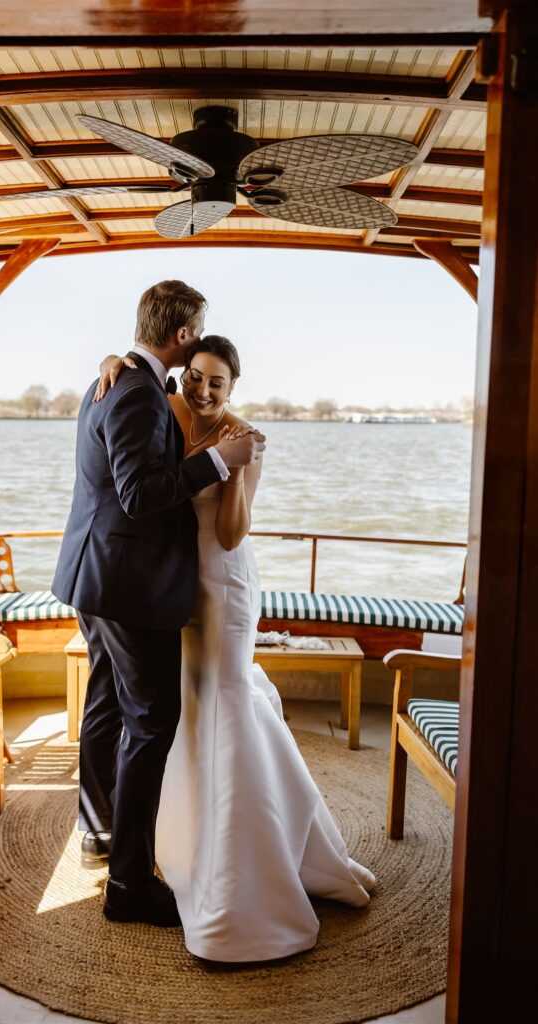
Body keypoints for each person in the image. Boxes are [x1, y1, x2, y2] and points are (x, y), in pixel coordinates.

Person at [97, 334, 376, 962]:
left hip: (223, 585)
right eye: (195, 377)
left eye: (215, 383)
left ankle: (242, 872)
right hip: (173, 586)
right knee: (186, 707)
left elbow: (227, 535)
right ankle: (184, 843)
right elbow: (135, 392)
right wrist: (110, 361)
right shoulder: (168, 409)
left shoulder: (245, 437)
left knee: (223, 700)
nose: (202, 390)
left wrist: (237, 468)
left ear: (232, 389)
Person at [51, 281, 266, 928]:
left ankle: (98, 827)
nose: (200, 354)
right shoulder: (139, 393)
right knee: (149, 724)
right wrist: (219, 465)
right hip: (128, 583)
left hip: (99, 574)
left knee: (105, 704)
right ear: (180, 337)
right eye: (196, 335)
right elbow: (142, 494)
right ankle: (128, 886)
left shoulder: (121, 382)